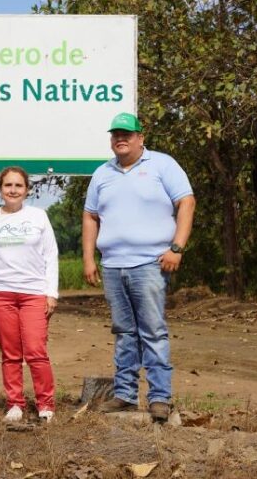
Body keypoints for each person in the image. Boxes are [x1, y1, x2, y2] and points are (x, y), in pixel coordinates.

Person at [82, 113, 196, 423]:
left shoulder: (162, 165)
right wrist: (89, 258)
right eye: (116, 134)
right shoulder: (102, 173)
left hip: (150, 263)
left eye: (127, 134)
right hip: (113, 265)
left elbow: (186, 202)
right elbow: (90, 216)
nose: (121, 138)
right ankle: (125, 395)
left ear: (140, 138)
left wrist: (177, 247)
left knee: (153, 331)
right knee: (123, 332)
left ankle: (159, 397)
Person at [0, 166, 59, 423]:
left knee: (35, 351)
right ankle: (15, 404)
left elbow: (51, 256)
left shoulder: (39, 217)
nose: (13, 190)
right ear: (0, 189)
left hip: (33, 293)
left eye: (18, 186)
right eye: (8, 186)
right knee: (10, 354)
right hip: (0, 294)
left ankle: (45, 404)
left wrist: (50, 293)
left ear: (27, 190)